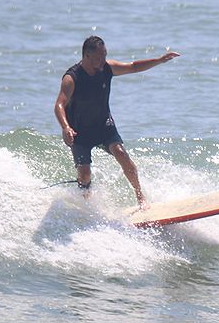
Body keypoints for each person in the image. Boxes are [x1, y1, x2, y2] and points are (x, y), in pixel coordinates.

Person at [54, 36, 179, 207]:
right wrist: (65, 127)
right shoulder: (72, 78)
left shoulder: (107, 68)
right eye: (99, 57)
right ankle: (85, 205)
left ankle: (140, 196)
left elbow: (133, 66)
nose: (103, 60)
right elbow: (59, 105)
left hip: (103, 125)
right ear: (87, 56)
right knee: (84, 175)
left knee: (121, 154)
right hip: (79, 131)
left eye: (105, 55)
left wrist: (159, 60)